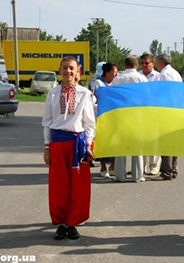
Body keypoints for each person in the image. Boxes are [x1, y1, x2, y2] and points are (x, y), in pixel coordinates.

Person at [42, 56, 96, 240]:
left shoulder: (84, 94)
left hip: (77, 146)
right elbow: (47, 122)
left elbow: (89, 123)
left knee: (78, 187)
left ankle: (73, 223)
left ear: (77, 71)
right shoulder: (53, 93)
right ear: (60, 70)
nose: (68, 71)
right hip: (57, 144)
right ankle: (61, 223)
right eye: (65, 68)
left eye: (72, 68)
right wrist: (47, 147)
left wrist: (88, 146)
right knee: (59, 186)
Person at [112, 55, 148, 183]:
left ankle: (120, 175)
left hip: (122, 113)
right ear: (137, 65)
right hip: (137, 114)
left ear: (125, 65)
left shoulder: (118, 79)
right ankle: (137, 175)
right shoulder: (142, 79)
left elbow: (113, 96)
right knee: (137, 146)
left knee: (120, 145)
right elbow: (146, 98)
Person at [155, 53, 182, 180]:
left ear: (160, 63)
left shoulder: (164, 74)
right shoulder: (176, 73)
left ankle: (167, 170)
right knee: (174, 141)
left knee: (166, 141)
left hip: (167, 110)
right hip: (176, 109)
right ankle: (173, 168)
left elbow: (163, 93)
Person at [93, 62, 119, 178]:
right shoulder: (98, 83)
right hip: (102, 115)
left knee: (114, 139)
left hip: (114, 115)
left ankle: (113, 165)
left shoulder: (116, 82)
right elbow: (98, 97)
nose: (116, 74)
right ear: (107, 72)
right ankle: (103, 166)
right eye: (114, 71)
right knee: (103, 140)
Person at [139, 52, 161, 176]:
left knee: (154, 138)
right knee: (142, 138)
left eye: (147, 63)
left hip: (154, 110)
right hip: (141, 111)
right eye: (142, 63)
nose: (144, 65)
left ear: (152, 63)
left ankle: (154, 165)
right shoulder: (138, 76)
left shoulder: (158, 77)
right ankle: (142, 166)